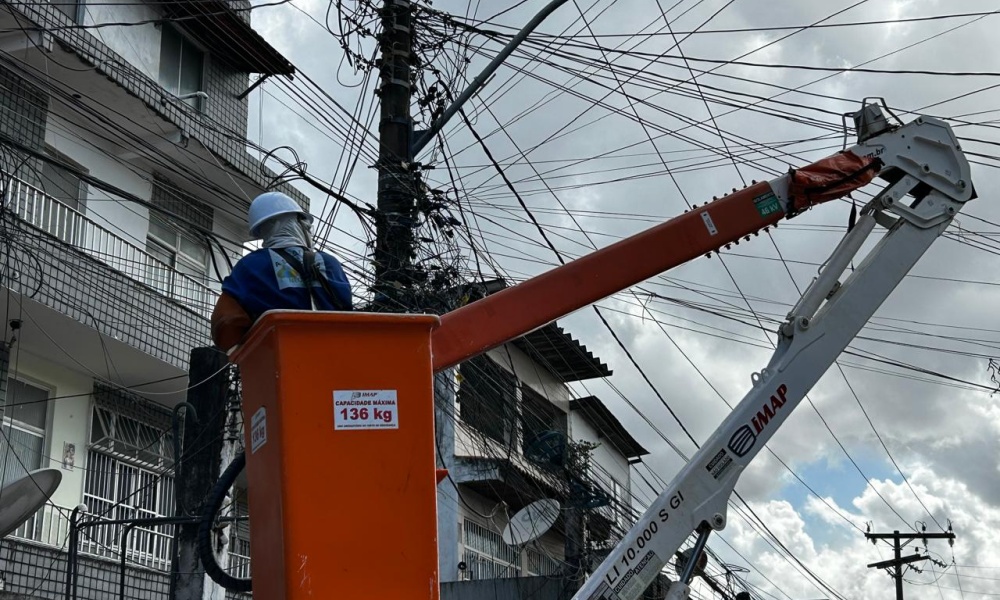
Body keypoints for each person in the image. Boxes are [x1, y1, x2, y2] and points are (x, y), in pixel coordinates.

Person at [211, 191, 352, 352]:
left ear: (263, 230)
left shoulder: (252, 265)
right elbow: (347, 312)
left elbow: (225, 322)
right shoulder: (330, 263)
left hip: (280, 357)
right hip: (336, 354)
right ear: (298, 224)